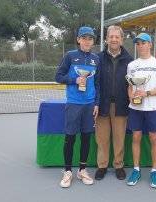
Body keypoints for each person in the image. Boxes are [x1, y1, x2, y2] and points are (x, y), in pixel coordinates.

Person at [55, 26, 100, 188]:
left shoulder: (96, 59)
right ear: (78, 40)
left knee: (87, 137)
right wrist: (74, 80)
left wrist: (97, 103)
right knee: (70, 137)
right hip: (74, 104)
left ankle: (82, 170)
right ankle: (68, 171)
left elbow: (98, 83)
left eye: (90, 38)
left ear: (93, 41)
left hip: (89, 105)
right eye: (84, 38)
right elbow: (58, 76)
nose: (87, 41)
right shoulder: (70, 56)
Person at [126, 33, 156, 188]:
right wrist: (131, 97)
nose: (140, 46)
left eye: (144, 43)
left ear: (150, 44)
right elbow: (130, 86)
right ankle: (136, 169)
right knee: (135, 137)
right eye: (138, 43)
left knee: (154, 139)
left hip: (153, 108)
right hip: (135, 108)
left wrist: (147, 93)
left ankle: (154, 170)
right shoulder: (132, 65)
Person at [95, 25, 133, 180]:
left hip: (121, 105)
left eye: (117, 37)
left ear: (122, 39)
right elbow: (95, 82)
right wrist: (95, 102)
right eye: (111, 36)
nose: (114, 39)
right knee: (102, 138)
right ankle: (102, 166)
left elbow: (132, 84)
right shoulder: (98, 58)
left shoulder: (130, 60)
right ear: (106, 39)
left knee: (119, 138)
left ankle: (118, 165)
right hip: (102, 104)